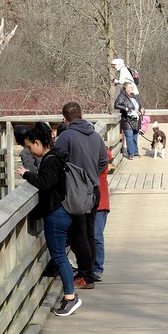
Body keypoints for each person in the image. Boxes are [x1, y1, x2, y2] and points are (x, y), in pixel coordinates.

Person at [16, 122, 81, 316]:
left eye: (29, 146)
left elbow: (45, 184)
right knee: (61, 255)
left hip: (56, 213)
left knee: (59, 256)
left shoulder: (50, 160)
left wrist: (27, 174)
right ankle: (70, 295)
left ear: (38, 142)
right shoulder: (58, 155)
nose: (29, 150)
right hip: (63, 211)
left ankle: (70, 297)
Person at [55, 102, 108, 289]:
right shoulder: (95, 135)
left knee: (79, 235)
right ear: (82, 115)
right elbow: (103, 161)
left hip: (75, 191)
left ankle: (85, 276)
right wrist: (91, 174)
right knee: (89, 233)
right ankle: (90, 272)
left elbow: (56, 160)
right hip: (93, 189)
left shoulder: (65, 136)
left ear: (65, 118)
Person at [92, 147, 112, 281]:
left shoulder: (100, 151)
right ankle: (88, 267)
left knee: (96, 236)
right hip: (84, 200)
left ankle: (97, 268)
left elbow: (107, 155)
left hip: (100, 202)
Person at [114, 81, 144, 160]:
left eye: (132, 87)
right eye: (130, 87)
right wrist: (125, 108)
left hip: (136, 119)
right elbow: (116, 105)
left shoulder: (135, 96)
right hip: (127, 119)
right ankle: (131, 153)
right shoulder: (122, 96)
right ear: (126, 88)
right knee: (129, 136)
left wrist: (141, 111)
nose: (132, 89)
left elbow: (139, 105)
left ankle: (136, 152)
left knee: (135, 136)